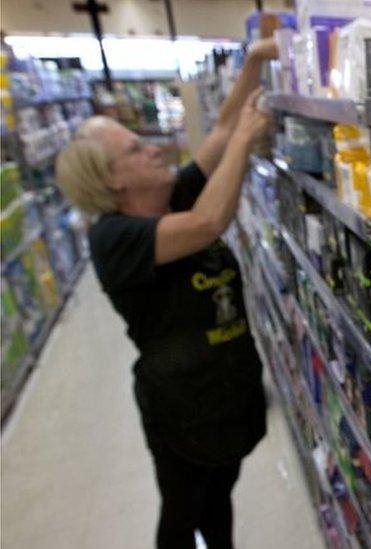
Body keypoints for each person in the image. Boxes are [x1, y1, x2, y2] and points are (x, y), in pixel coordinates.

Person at [54, 39, 278, 549]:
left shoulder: (170, 195)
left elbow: (221, 127)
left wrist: (254, 60)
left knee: (220, 497)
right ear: (111, 182)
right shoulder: (115, 238)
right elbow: (207, 223)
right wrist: (245, 141)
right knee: (181, 513)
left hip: (228, 391)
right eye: (135, 148)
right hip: (182, 407)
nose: (153, 145)